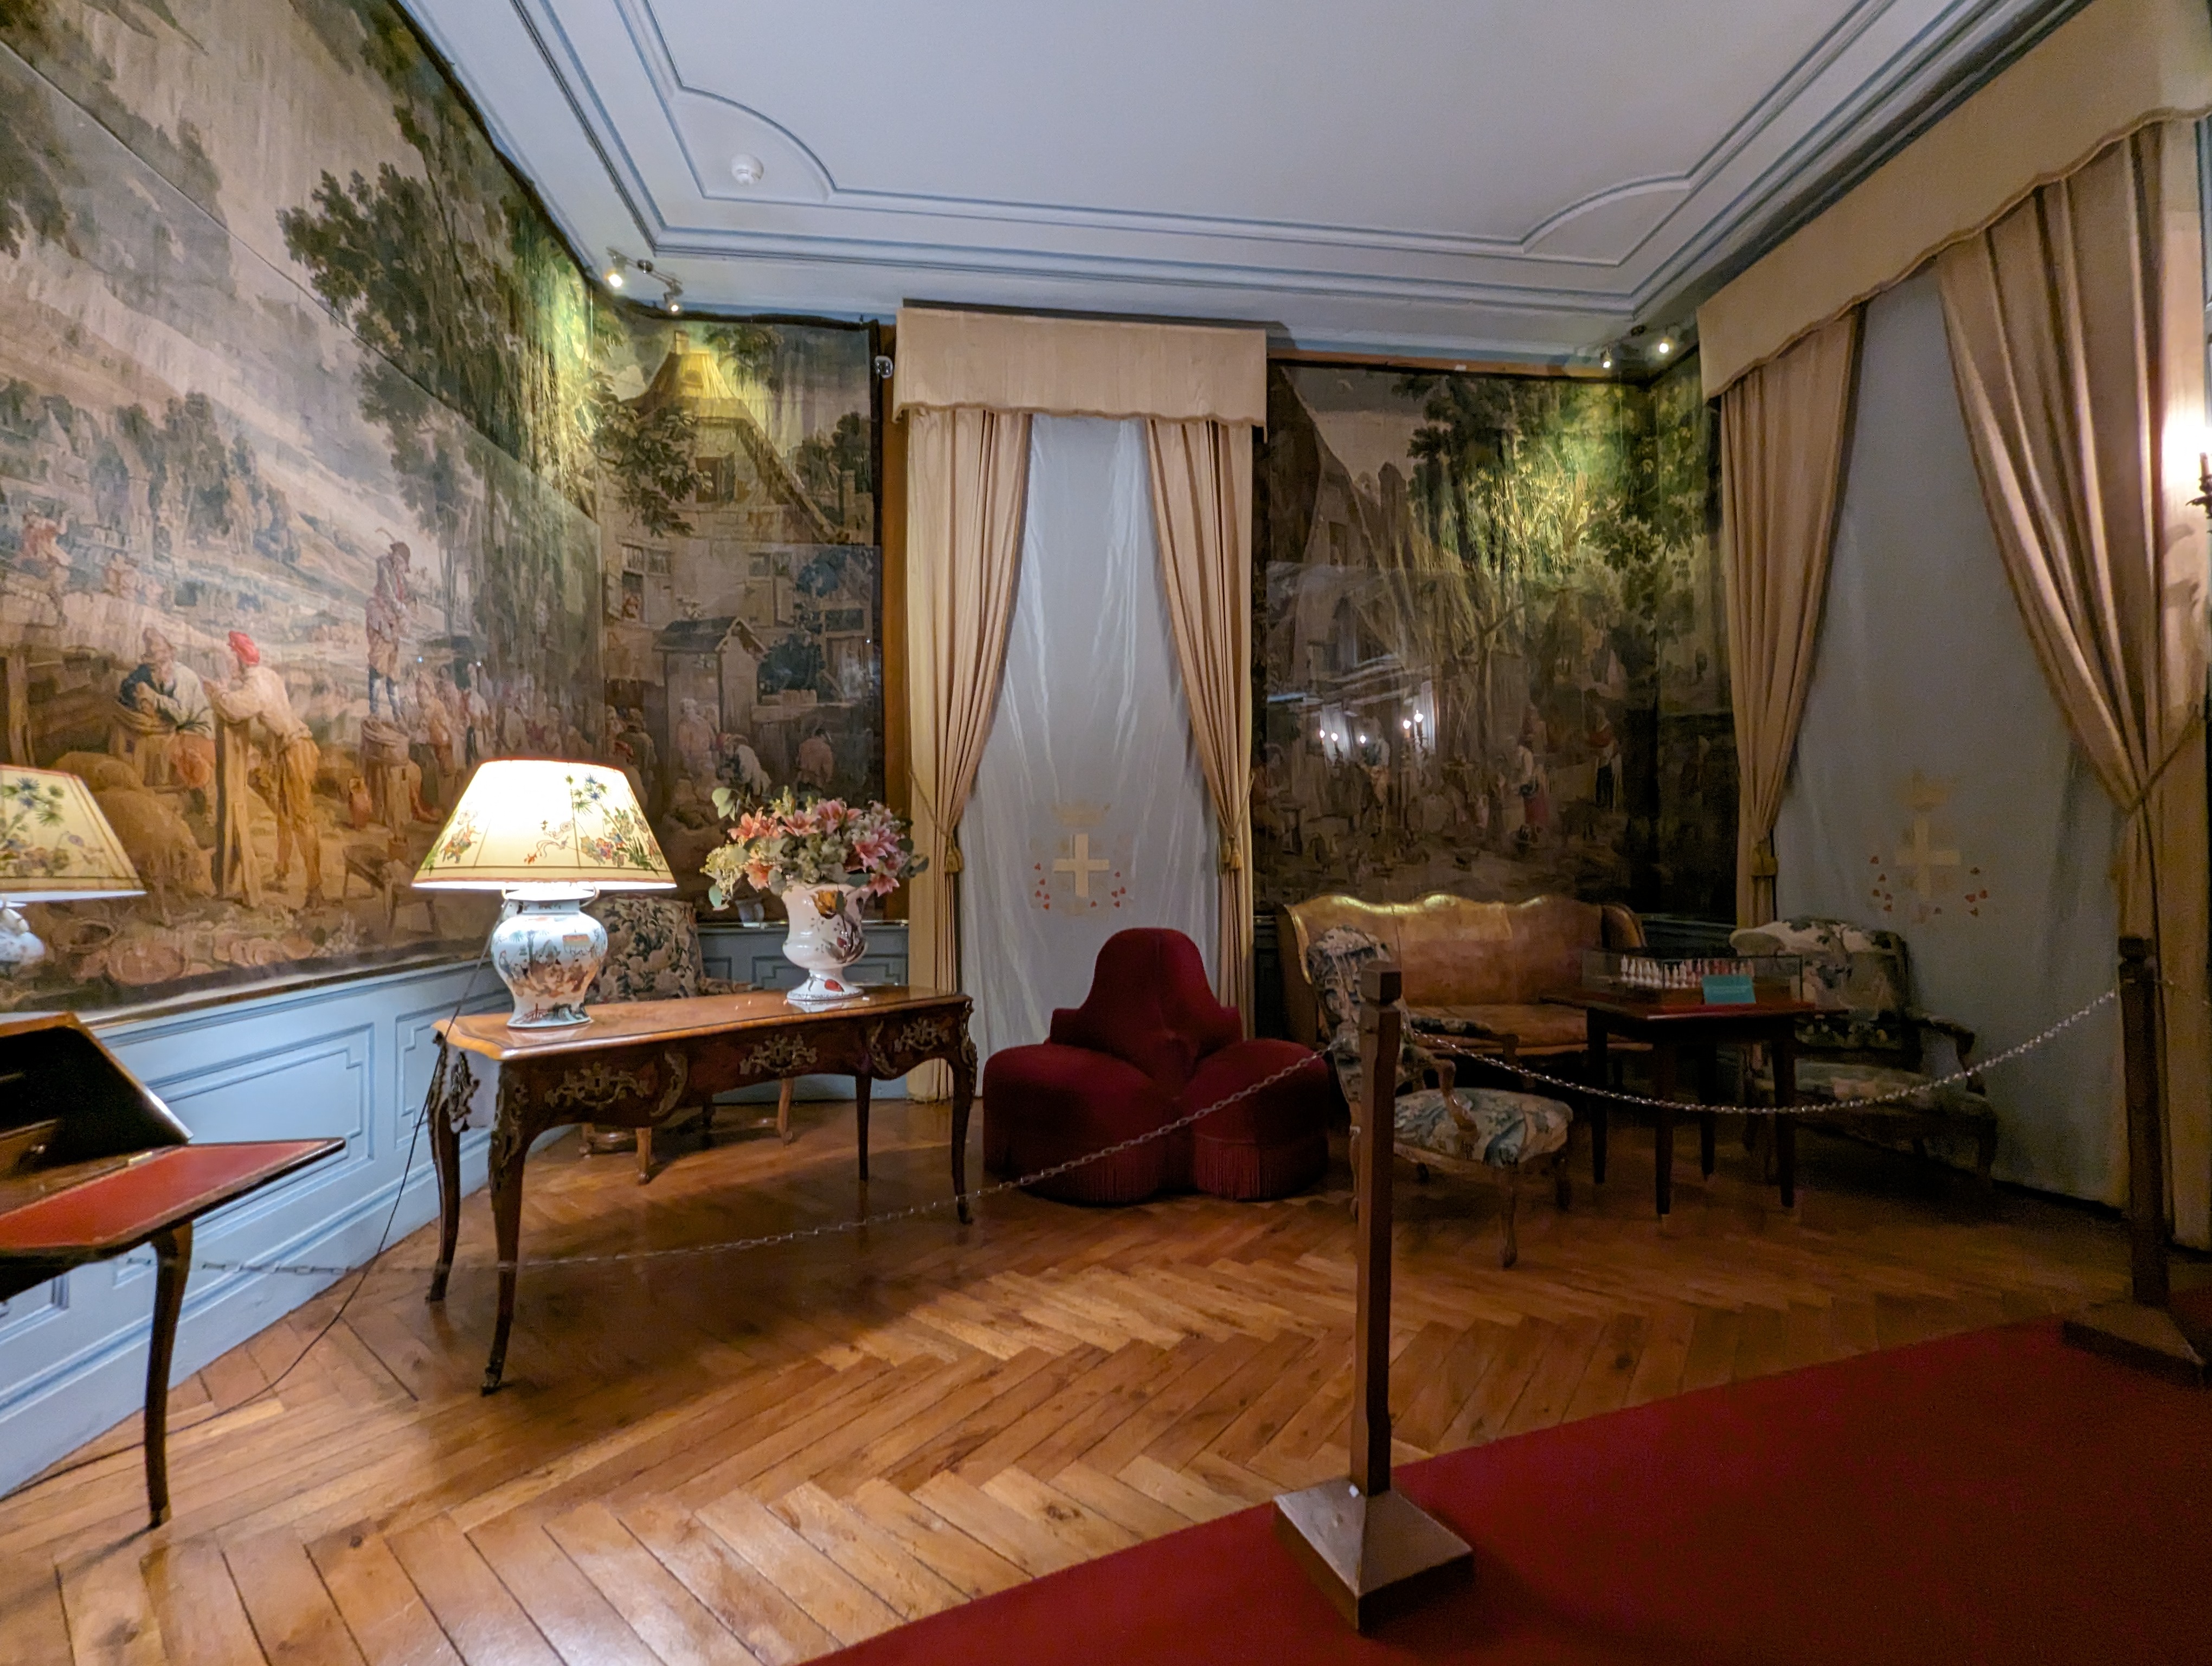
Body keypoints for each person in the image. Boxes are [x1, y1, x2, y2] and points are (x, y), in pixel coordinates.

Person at [209, 630, 324, 899]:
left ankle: (316, 890)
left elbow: (234, 708)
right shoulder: (267, 676)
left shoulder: (255, 686)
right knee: (284, 816)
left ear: (239, 658)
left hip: (296, 751)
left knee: (301, 819)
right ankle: (282, 873)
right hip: (291, 749)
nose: (228, 664)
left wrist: (218, 692)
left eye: (230, 658)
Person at [116, 628, 214, 791]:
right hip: (173, 728)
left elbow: (181, 715)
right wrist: (139, 699)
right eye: (149, 645)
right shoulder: (149, 670)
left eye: (157, 645)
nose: (152, 648)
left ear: (170, 651)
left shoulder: (182, 675)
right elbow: (128, 686)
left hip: (196, 733)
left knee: (153, 745)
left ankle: (159, 788)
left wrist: (153, 697)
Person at [365, 540, 411, 721]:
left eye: (403, 565)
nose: (401, 568)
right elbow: (388, 595)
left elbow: (403, 600)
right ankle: (375, 711)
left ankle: (397, 713)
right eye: (399, 562)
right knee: (378, 666)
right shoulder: (385, 569)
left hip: (394, 628)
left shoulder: (401, 580)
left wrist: (405, 616)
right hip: (381, 617)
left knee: (394, 672)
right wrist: (401, 609)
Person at [797, 725, 835, 791]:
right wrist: (828, 778)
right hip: (816, 782)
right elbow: (828, 766)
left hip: (803, 779)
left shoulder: (804, 744)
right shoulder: (826, 748)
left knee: (803, 797)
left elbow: (798, 761)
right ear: (822, 735)